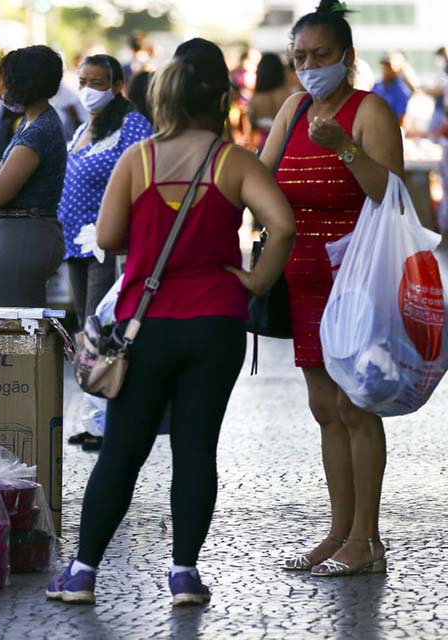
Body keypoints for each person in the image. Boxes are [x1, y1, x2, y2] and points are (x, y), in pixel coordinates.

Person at [47, 38, 295, 606]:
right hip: (216, 324)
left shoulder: (141, 159)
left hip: (146, 325)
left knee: (122, 450)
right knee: (196, 448)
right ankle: (184, 575)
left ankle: (82, 573)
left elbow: (107, 238)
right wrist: (255, 282)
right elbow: (281, 225)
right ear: (222, 97)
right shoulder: (234, 162)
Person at [262, 0, 403, 577]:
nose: (309, 66)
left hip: (357, 280)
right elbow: (259, 176)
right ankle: (338, 531)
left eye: (321, 55)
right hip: (303, 279)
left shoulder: (369, 111)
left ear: (346, 58)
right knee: (325, 408)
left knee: (355, 406)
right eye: (300, 56)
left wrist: (343, 148)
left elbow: (391, 196)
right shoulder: (293, 108)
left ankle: (366, 541)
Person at [58, 54, 153, 451]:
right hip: (75, 244)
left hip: (107, 243)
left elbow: (145, 176)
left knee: (103, 326)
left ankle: (106, 418)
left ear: (116, 85)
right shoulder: (85, 127)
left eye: (97, 82)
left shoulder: (132, 125)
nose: (87, 90)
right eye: (82, 81)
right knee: (86, 328)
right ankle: (92, 415)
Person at [0, 45, 67, 307]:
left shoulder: (38, 130)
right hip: (15, 234)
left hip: (24, 234)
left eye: (5, 80)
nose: (1, 89)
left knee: (18, 334)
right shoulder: (31, 123)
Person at [249, 53, 296, 150]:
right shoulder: (290, 95)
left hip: (263, 147)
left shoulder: (255, 99)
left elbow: (251, 126)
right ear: (280, 71)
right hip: (287, 146)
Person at [372, 52, 413, 128]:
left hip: (391, 130)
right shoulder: (376, 86)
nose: (385, 70)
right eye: (384, 66)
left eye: (389, 67)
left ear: (397, 69)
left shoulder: (402, 91)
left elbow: (401, 121)